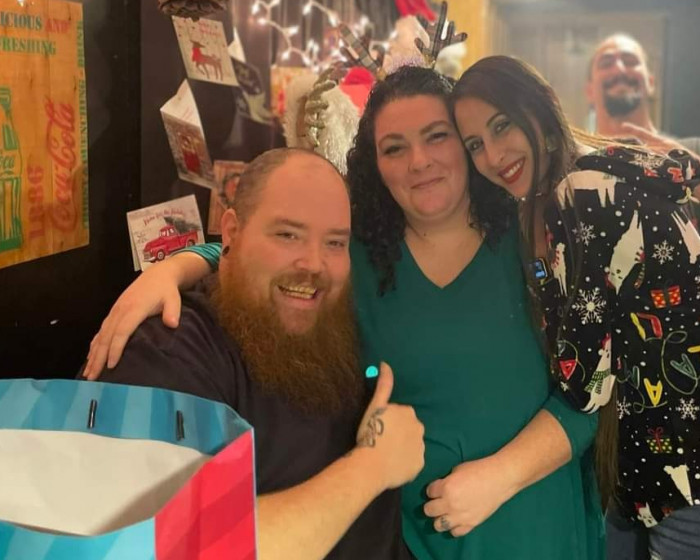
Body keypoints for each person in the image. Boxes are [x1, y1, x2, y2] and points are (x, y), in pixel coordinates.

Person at [85, 66, 603, 559]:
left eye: (437, 136)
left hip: (537, 524)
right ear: (375, 165)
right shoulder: (357, 258)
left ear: (468, 146)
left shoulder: (536, 237)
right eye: (394, 147)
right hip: (417, 539)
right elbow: (276, 261)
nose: (419, 161)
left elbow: (596, 387)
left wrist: (502, 476)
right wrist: (179, 266)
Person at [95, 147, 425, 560]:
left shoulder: (339, 315)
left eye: (335, 242)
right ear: (232, 232)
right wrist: (372, 466)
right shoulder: (169, 354)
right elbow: (174, 551)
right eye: (287, 235)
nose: (314, 263)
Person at [453, 54, 700, 560]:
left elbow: (585, 382)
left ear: (538, 109)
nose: (493, 156)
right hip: (654, 469)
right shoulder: (581, 180)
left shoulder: (583, 194)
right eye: (475, 144)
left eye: (502, 126)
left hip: (684, 474)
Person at [586, 33, 700, 156]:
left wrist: (689, 162)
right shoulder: (575, 161)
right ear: (589, 91)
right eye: (606, 64)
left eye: (630, 62)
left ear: (651, 83)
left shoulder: (694, 150)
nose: (619, 69)